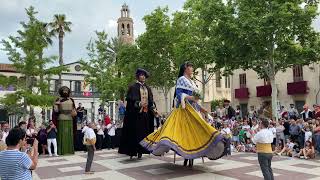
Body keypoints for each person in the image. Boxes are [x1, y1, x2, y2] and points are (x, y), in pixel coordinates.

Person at [140, 62, 227, 167]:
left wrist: (202, 109)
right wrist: (192, 98)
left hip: (194, 110)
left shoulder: (192, 82)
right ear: (186, 68)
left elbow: (195, 100)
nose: (192, 69)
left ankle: (196, 154)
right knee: (184, 135)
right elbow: (180, 94)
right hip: (184, 110)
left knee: (198, 132)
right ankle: (187, 156)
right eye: (191, 67)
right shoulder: (181, 79)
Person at [118, 68, 156, 159]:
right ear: (138, 76)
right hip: (135, 116)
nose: (143, 77)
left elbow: (151, 101)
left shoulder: (148, 88)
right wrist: (139, 104)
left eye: (144, 75)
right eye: (141, 75)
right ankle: (132, 151)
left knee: (144, 134)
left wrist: (153, 109)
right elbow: (130, 102)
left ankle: (141, 151)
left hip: (145, 115)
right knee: (135, 133)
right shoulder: (133, 87)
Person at [54, 86, 76, 155]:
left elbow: (74, 111)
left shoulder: (71, 100)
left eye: (66, 90)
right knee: (62, 135)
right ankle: (62, 151)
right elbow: (56, 111)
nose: (65, 91)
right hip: (61, 118)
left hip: (70, 118)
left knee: (69, 135)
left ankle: (69, 150)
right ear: (61, 91)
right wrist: (55, 104)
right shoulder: (58, 99)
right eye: (64, 90)